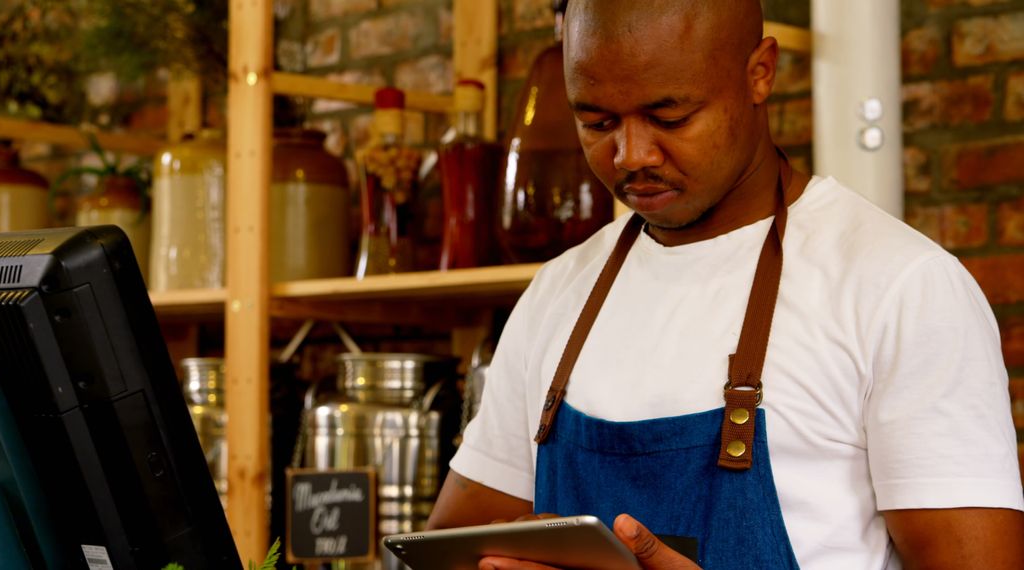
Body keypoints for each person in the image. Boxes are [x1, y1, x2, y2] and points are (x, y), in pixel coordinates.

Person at [426, 0, 1024, 569]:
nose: (631, 155)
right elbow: (452, 546)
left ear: (760, 73)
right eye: (597, 121)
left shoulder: (901, 289)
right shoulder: (558, 294)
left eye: (670, 117)